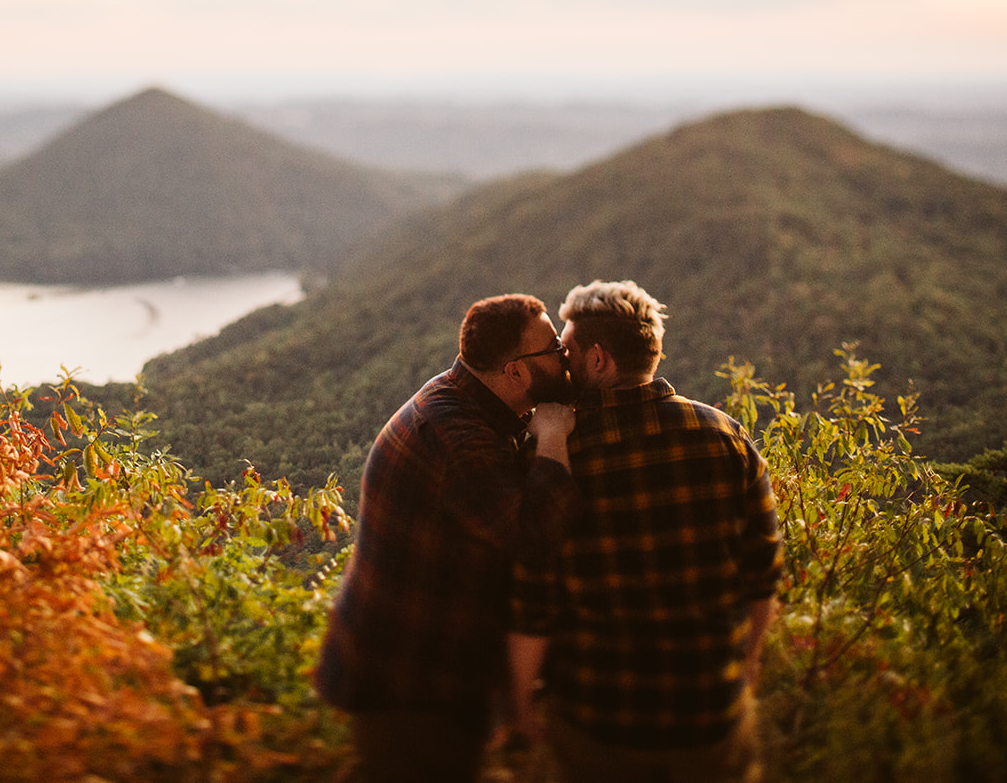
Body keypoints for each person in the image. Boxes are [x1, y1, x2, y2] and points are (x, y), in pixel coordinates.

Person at [509, 280, 783, 783]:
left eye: (566, 352)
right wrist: (748, 665)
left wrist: (523, 700)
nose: (560, 365)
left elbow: (533, 597)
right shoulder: (726, 437)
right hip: (708, 720)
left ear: (597, 361)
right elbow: (762, 578)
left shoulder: (551, 459)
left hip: (598, 725)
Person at [315, 293, 581, 783]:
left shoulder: (463, 406)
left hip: (402, 663)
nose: (565, 356)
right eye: (554, 349)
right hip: (411, 683)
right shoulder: (457, 437)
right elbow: (536, 535)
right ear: (515, 372)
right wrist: (552, 436)